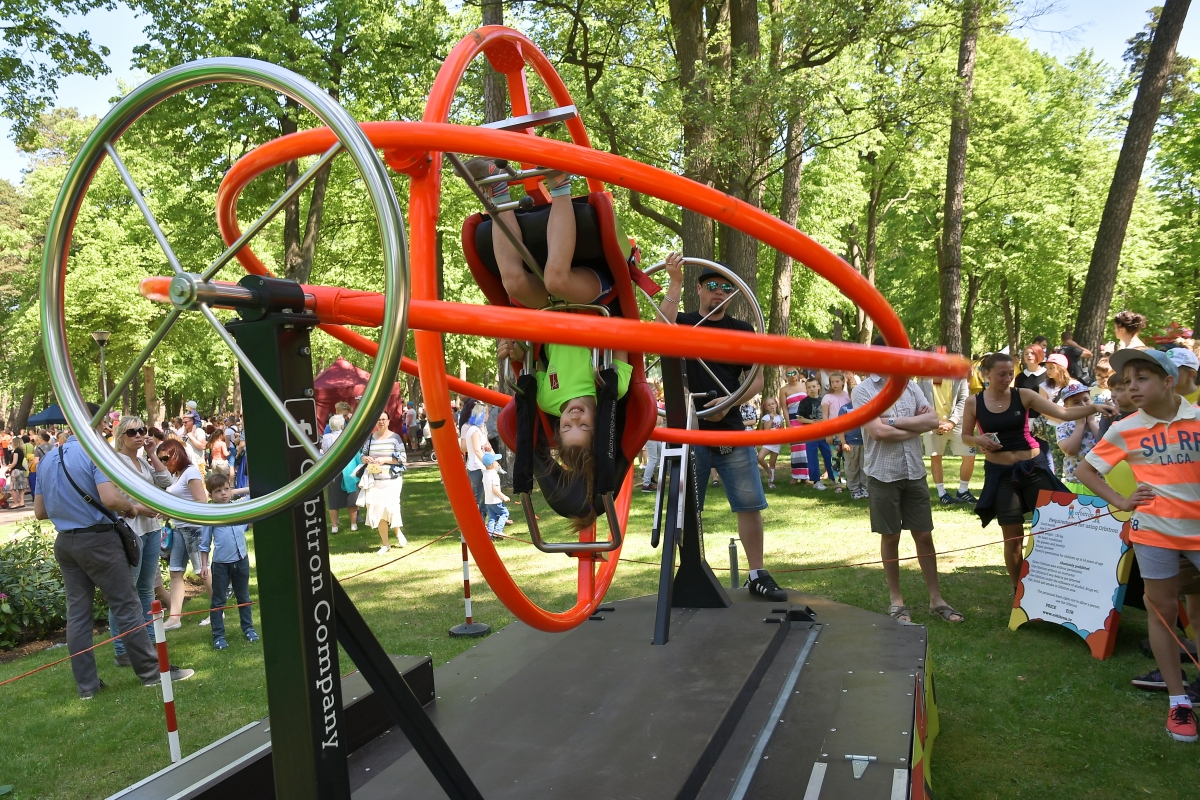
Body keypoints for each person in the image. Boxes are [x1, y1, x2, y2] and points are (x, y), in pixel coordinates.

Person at [1077, 348, 1200, 743]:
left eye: (1141, 379)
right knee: (1163, 613)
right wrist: (1121, 501)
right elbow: (1085, 469)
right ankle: (1179, 702)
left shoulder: (1197, 417)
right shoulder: (1126, 427)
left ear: (1168, 381)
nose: (1132, 387)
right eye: (1128, 381)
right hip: (1152, 534)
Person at [659, 253, 785, 601]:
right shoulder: (683, 322)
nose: (719, 292)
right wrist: (674, 282)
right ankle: (689, 573)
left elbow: (756, 381)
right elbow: (659, 330)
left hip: (730, 429)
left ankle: (757, 573)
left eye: (727, 288)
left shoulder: (742, 331)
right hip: (690, 431)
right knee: (687, 508)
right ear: (699, 289)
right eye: (712, 286)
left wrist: (727, 404)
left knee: (749, 504)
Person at [34, 428, 193, 698]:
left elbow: (40, 511)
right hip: (98, 540)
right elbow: (109, 498)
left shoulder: (48, 458)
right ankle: (152, 673)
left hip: (66, 542)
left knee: (78, 615)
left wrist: (73, 509)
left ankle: (87, 687)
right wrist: (130, 508)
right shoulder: (94, 452)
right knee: (126, 605)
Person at [959, 353, 1114, 590]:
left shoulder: (1023, 395)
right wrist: (978, 439)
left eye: (1010, 374)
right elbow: (965, 436)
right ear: (986, 374)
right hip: (1001, 474)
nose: (1007, 378)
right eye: (1001, 374)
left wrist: (1093, 407)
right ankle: (1019, 592)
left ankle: (1057, 585)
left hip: (1033, 469)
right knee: (1013, 537)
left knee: (1053, 528)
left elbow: (1062, 413)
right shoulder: (974, 402)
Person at [851, 358, 963, 624]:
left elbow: (932, 420)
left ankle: (936, 599)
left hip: (914, 471)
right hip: (882, 474)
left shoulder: (909, 386)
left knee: (924, 535)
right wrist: (913, 427)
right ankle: (897, 602)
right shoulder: (863, 391)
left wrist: (892, 421)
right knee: (890, 537)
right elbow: (878, 432)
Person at [109, 416, 173, 666]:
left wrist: (152, 453)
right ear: (120, 437)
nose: (138, 435)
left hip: (151, 529)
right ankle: (121, 649)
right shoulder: (115, 461)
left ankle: (149, 640)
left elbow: (166, 481)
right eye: (131, 432)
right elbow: (109, 499)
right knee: (126, 592)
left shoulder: (143, 461)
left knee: (146, 588)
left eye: (141, 430)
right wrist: (136, 509)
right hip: (130, 531)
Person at [199, 471, 259, 650]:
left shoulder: (238, 508)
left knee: (244, 597)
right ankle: (218, 636)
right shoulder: (210, 515)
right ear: (211, 495)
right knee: (218, 601)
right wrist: (204, 565)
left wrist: (235, 491)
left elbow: (255, 492)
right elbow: (204, 543)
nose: (223, 493)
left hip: (241, 561)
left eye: (226, 489)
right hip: (221, 565)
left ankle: (248, 629)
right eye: (218, 491)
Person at [156, 438, 211, 630]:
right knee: (175, 572)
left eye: (165, 458)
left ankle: (217, 610)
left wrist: (174, 511)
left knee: (202, 571)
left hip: (194, 528)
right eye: (160, 459)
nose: (163, 462)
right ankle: (174, 618)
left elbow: (202, 503)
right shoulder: (176, 475)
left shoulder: (190, 472)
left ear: (176, 454)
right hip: (179, 528)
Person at [918, 371, 977, 505]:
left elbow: (963, 400)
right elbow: (921, 401)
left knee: (969, 456)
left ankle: (963, 491)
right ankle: (942, 493)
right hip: (933, 423)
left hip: (957, 422)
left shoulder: (959, 376)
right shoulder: (923, 377)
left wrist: (952, 422)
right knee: (936, 457)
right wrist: (934, 422)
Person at [358, 412, 406, 554]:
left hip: (392, 480)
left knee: (392, 508)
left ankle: (397, 532)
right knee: (378, 510)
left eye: (383, 419)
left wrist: (385, 460)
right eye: (378, 420)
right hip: (374, 481)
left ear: (388, 421)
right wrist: (365, 459)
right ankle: (385, 544)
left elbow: (403, 457)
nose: (381, 422)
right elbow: (362, 455)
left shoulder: (395, 438)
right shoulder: (370, 438)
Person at [1054, 383, 1100, 495]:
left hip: (1102, 482)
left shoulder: (1101, 422)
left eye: (1086, 400)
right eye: (1076, 403)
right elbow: (1070, 450)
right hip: (1076, 482)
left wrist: (1092, 422)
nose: (1083, 405)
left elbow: (1107, 445)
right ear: (1066, 407)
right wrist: (1080, 425)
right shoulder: (1063, 427)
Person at [320, 414, 359, 534]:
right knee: (352, 499)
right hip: (349, 470)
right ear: (342, 425)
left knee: (333, 500)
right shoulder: (349, 435)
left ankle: (334, 526)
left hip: (333, 471)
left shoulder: (326, 437)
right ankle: (353, 524)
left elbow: (324, 452)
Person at [829, 387, 867, 500]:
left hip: (864, 443)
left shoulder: (865, 408)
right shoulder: (845, 409)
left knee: (864, 467)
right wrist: (844, 443)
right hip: (850, 443)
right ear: (850, 395)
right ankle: (854, 490)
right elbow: (841, 428)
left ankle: (865, 488)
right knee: (851, 467)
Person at [797, 377, 833, 489]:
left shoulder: (824, 400)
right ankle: (816, 481)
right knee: (812, 457)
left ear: (818, 387)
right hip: (810, 434)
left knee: (829, 455)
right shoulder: (804, 402)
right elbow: (799, 418)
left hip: (823, 433)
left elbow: (828, 416)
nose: (812, 389)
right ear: (806, 389)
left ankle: (834, 478)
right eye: (809, 387)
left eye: (813, 386)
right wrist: (812, 422)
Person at [779, 367, 810, 484]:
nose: (792, 375)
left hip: (805, 420)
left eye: (794, 373)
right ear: (786, 376)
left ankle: (806, 475)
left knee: (806, 448)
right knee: (796, 448)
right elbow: (784, 408)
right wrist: (788, 423)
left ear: (797, 373)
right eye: (789, 374)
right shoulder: (783, 390)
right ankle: (796, 475)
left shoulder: (805, 385)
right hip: (793, 420)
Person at [821, 373, 850, 492]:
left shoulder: (848, 396)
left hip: (848, 433)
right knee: (835, 459)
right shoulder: (827, 398)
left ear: (843, 382)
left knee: (848, 460)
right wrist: (828, 433)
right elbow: (825, 416)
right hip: (833, 433)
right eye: (832, 382)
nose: (835, 384)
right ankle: (838, 484)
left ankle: (850, 482)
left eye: (837, 381)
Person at [459, 404, 489, 520]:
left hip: (479, 466)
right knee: (477, 498)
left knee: (486, 495)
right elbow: (477, 450)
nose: (488, 415)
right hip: (476, 467)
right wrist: (487, 462)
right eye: (486, 413)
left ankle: (481, 520)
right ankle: (475, 522)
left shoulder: (478, 429)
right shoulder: (474, 430)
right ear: (481, 414)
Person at [756, 396, 785, 489]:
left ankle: (770, 481)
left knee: (772, 462)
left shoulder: (780, 418)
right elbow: (766, 429)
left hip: (776, 443)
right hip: (768, 443)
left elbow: (782, 430)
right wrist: (771, 419)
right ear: (766, 408)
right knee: (760, 458)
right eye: (769, 405)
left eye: (772, 404)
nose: (771, 406)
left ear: (776, 404)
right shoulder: (766, 417)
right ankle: (769, 471)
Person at [481, 452, 510, 540]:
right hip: (495, 500)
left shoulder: (485, 474)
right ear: (493, 464)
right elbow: (495, 489)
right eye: (496, 461)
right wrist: (504, 497)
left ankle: (490, 535)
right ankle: (498, 531)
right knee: (504, 513)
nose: (498, 463)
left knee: (492, 517)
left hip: (488, 501)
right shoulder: (494, 475)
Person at [6, 440, 27, 507]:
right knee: (21, 487)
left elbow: (14, 462)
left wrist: (8, 469)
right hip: (21, 470)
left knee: (12, 488)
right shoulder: (21, 451)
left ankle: (16, 503)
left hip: (16, 470)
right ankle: (22, 502)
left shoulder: (16, 451)